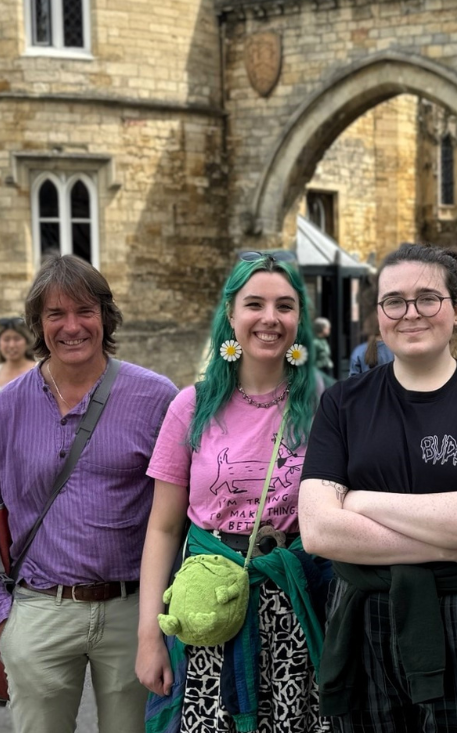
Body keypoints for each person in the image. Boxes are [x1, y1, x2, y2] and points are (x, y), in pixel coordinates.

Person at [300, 242, 457, 733]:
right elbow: (319, 530)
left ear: (456, 312)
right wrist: (451, 547)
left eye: (428, 298)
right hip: (361, 620)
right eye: (394, 301)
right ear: (379, 313)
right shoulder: (344, 402)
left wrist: (362, 502)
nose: (411, 314)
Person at [0, 256, 177, 733]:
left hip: (134, 614)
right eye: (55, 314)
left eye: (84, 311)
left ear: (105, 315)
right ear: (38, 324)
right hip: (39, 611)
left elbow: (180, 514)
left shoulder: (158, 399)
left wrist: (165, 615)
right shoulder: (0, 412)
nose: (72, 326)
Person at [137, 251, 330, 732]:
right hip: (209, 612)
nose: (270, 318)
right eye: (254, 304)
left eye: (285, 306)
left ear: (299, 317)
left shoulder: (326, 402)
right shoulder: (192, 406)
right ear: (230, 314)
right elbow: (162, 528)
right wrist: (148, 636)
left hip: (298, 608)